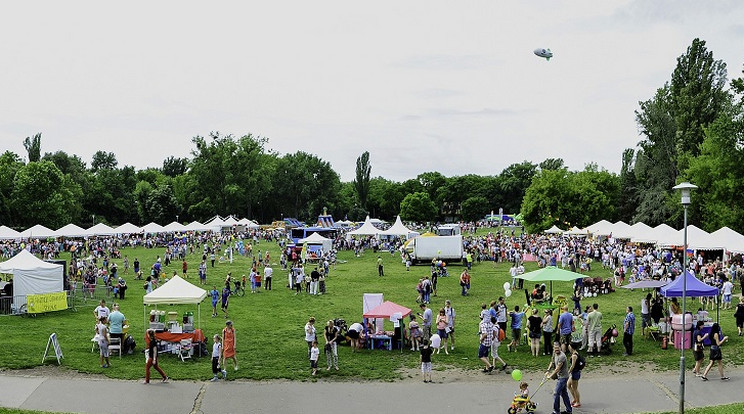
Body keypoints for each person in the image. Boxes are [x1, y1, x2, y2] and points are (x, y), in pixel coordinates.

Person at [545, 342, 572, 414]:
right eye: (555, 348)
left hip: (563, 377)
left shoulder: (562, 356)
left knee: (556, 393)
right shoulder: (554, 353)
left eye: (558, 348)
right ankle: (569, 410)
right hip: (560, 376)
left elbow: (557, 369)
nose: (556, 350)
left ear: (560, 347)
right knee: (564, 393)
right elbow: (552, 362)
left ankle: (556, 411)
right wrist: (548, 370)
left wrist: (550, 376)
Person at [567, 342, 583, 408]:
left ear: (571, 347)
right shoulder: (575, 353)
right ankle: (575, 399)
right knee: (568, 385)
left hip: (575, 373)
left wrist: (568, 372)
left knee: (575, 388)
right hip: (575, 372)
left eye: (569, 346)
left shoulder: (574, 355)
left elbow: (572, 366)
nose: (568, 348)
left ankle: (578, 402)